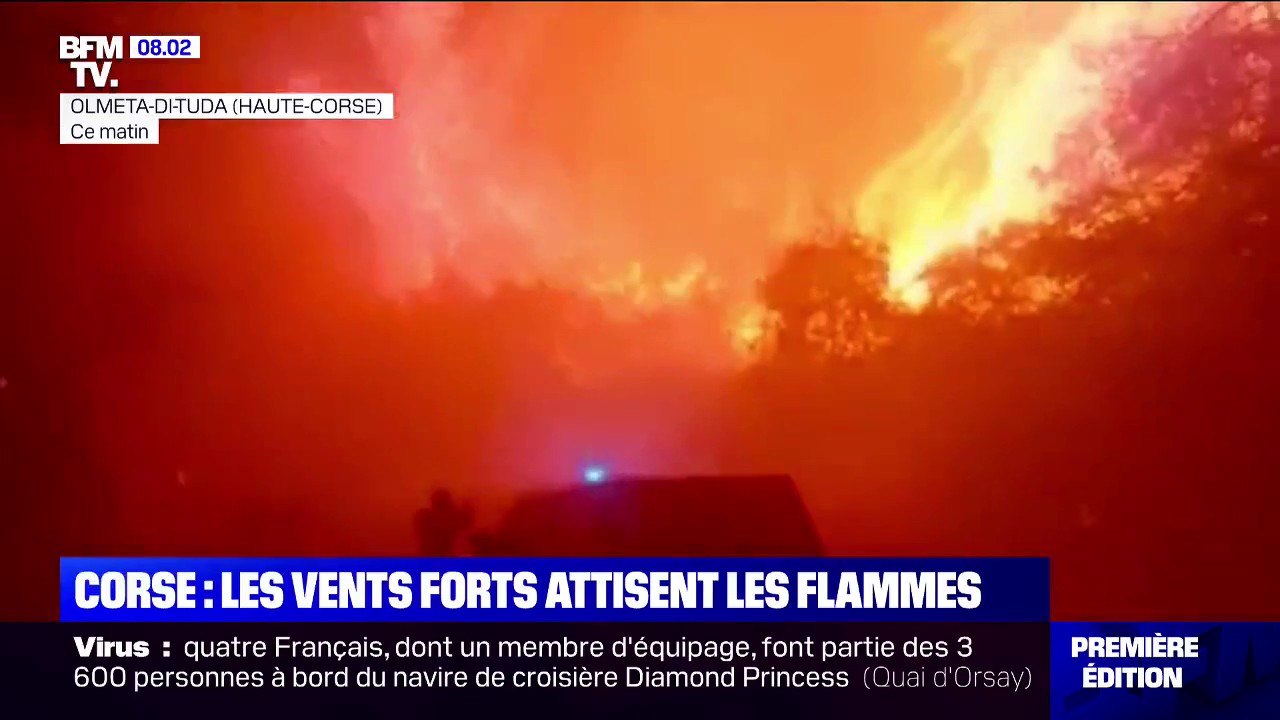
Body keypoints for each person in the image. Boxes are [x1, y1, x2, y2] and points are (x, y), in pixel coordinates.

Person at [413, 489, 473, 556]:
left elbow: (465, 524)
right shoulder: (425, 516)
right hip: (435, 555)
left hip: (433, 555)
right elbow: (462, 523)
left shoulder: (423, 515)